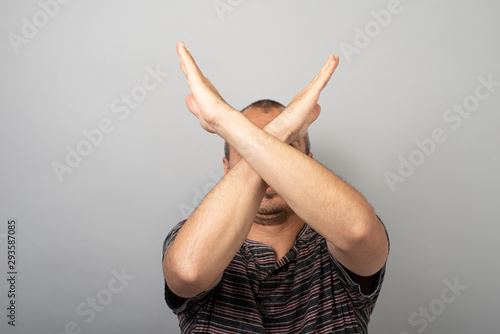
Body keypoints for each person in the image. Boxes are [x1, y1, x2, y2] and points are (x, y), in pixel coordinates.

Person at [162, 41, 389, 333]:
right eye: (246, 151)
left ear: (308, 162)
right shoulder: (191, 234)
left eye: (283, 151)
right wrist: (280, 130)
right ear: (226, 168)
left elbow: (359, 233)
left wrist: (225, 121)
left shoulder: (336, 239)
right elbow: (188, 271)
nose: (268, 170)